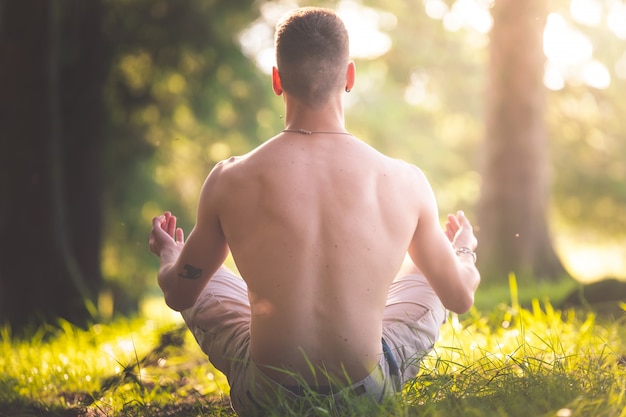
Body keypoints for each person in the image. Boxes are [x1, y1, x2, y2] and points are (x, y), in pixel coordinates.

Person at [149, 6, 480, 416]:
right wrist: (461, 251)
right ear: (350, 77)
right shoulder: (405, 180)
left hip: (267, 398)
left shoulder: (230, 179)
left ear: (276, 80)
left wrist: (170, 255)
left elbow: (179, 292)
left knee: (201, 265)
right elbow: (459, 297)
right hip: (366, 395)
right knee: (431, 271)